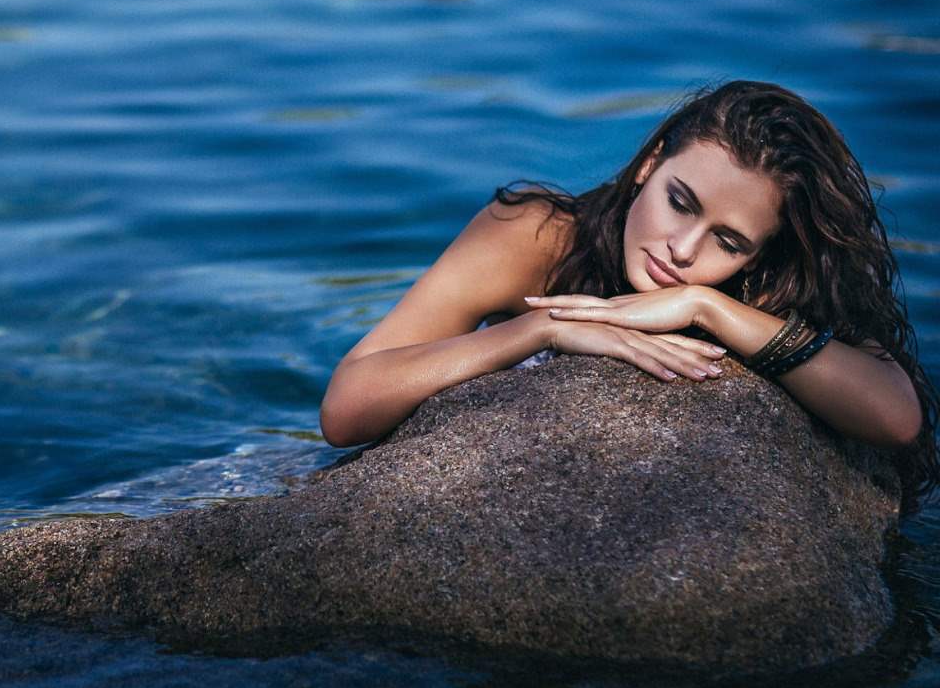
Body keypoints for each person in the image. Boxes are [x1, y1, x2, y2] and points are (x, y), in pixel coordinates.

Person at [319, 80, 939, 514]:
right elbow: (346, 409)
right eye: (680, 201)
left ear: (758, 255)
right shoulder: (538, 237)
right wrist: (542, 330)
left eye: (727, 239)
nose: (683, 250)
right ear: (648, 163)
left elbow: (896, 416)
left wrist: (710, 310)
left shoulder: (766, 289)